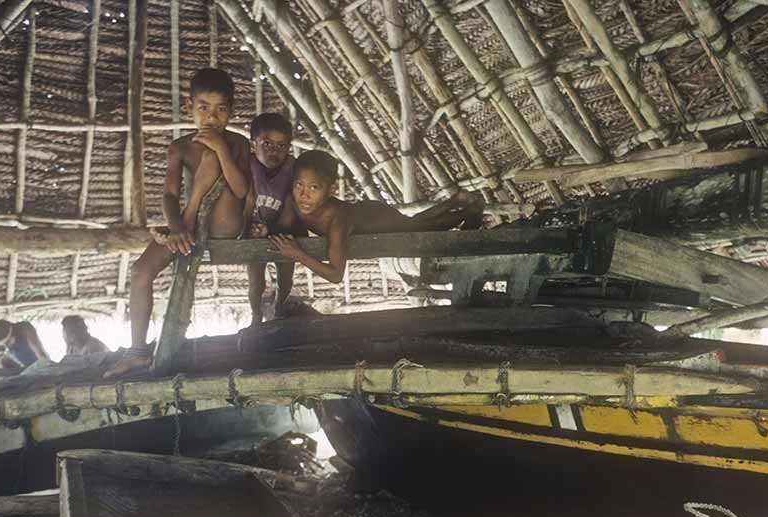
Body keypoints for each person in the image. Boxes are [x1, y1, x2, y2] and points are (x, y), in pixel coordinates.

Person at [104, 67, 250, 378]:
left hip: (225, 225)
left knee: (213, 155)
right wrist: (178, 226)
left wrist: (222, 149)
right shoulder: (180, 147)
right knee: (140, 270)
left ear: (231, 111)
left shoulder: (237, 144)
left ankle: (180, 228)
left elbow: (241, 190)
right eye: (204, 108)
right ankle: (137, 351)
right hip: (191, 227)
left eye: (221, 109)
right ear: (189, 108)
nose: (212, 117)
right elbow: (169, 195)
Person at [269, 150, 484, 284]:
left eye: (314, 188)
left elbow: (335, 275)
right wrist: (266, 230)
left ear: (331, 190)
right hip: (365, 212)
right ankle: (457, 201)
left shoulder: (337, 221)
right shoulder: (293, 200)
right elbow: (283, 226)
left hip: (377, 218)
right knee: (415, 223)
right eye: (299, 185)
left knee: (420, 228)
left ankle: (466, 210)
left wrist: (298, 254)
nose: (304, 194)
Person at [244, 113, 297, 326]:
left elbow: (294, 207)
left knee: (286, 279)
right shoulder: (245, 166)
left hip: (283, 232)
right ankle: (256, 316)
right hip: (252, 235)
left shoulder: (293, 169)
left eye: (281, 145)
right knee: (256, 282)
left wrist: (273, 230)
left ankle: (279, 311)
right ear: (252, 144)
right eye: (266, 143)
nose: (274, 150)